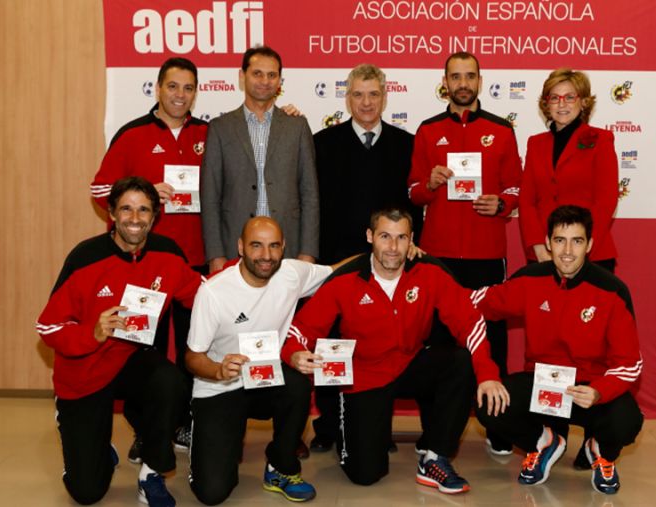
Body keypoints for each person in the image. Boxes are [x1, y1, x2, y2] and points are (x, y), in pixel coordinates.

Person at [281, 208, 509, 495]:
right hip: (363, 377)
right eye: (385, 237)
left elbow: (470, 321)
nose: (392, 247)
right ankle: (353, 434)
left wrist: (488, 374)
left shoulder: (429, 274)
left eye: (401, 238)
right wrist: (293, 353)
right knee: (364, 474)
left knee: (459, 361)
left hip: (411, 363)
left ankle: (435, 458)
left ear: (411, 239)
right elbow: (299, 330)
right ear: (370, 237)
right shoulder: (345, 280)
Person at [37, 177, 203, 507]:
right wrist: (92, 333)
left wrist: (254, 282)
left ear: (155, 216)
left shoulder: (167, 255)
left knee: (170, 381)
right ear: (111, 213)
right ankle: (91, 442)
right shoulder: (85, 258)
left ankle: (152, 473)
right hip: (85, 370)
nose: (135, 218)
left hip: (132, 361)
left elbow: (206, 294)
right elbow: (47, 326)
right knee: (87, 493)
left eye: (144, 210)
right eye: (126, 208)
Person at [186, 217, 360, 504]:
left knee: (297, 386)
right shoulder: (214, 292)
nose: (266, 256)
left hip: (264, 379)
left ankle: (280, 467)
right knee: (212, 493)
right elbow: (192, 356)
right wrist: (218, 370)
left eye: (274, 246)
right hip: (219, 388)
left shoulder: (290, 273)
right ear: (241, 247)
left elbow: (338, 271)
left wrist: (384, 252)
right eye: (256, 245)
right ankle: (211, 442)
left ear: (284, 247)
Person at [474, 205, 643, 495]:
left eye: (576, 241)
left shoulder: (612, 291)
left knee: (627, 420)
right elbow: (474, 302)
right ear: (548, 243)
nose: (567, 251)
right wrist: (423, 274)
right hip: (544, 388)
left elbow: (630, 363)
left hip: (590, 392)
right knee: (488, 402)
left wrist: (600, 390)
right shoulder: (530, 278)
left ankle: (600, 451)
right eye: (559, 240)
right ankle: (544, 442)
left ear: (589, 244)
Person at [90, 57, 207, 456]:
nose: (180, 95)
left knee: (196, 347)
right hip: (143, 264)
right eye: (173, 86)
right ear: (158, 88)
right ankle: (146, 428)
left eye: (188, 87)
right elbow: (98, 191)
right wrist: (141, 191)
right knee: (143, 349)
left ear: (196, 92)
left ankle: (186, 423)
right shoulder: (132, 134)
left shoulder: (210, 133)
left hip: (196, 261)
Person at [406, 51, 522, 454]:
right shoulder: (426, 130)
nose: (463, 83)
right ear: (445, 81)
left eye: (469, 76)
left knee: (491, 339)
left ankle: (498, 427)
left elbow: (515, 189)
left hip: (486, 253)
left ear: (479, 80)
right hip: (437, 256)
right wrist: (430, 184)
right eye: (455, 76)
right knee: (437, 344)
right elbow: (412, 192)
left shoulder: (502, 130)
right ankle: (435, 430)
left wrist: (501, 205)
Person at [309, 63, 423, 453]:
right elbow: (312, 203)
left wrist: (410, 244)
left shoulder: (406, 144)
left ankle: (376, 424)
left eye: (373, 94)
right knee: (332, 343)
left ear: (385, 97)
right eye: (358, 94)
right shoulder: (322, 143)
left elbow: (415, 206)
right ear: (347, 98)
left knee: (382, 344)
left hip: (389, 261)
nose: (366, 102)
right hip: (337, 261)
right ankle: (328, 424)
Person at [202, 46, 318, 274]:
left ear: (279, 81)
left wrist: (308, 252)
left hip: (288, 249)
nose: (265, 81)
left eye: (272, 75)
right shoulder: (220, 128)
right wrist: (216, 255)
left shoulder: (297, 127)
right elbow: (210, 197)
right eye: (257, 73)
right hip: (235, 249)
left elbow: (310, 194)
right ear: (241, 76)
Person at [519, 68, 619, 273]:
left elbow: (606, 201)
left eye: (569, 97)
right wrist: (539, 247)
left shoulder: (601, 140)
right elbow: (527, 201)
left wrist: (578, 249)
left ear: (583, 102)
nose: (562, 103)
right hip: (544, 255)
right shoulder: (535, 144)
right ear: (546, 104)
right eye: (554, 97)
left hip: (591, 256)